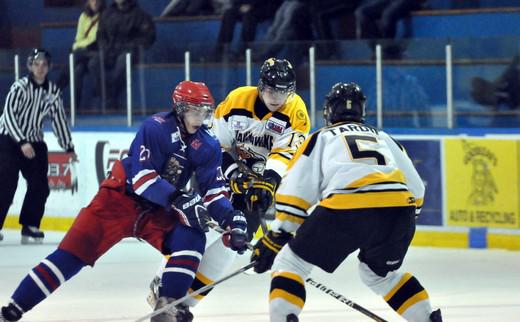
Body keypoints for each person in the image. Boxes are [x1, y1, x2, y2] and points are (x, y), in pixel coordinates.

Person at [0, 80, 248, 322]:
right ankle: (14, 307)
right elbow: (141, 178)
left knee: (192, 237)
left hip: (157, 208)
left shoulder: (208, 144)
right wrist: (178, 198)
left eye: (205, 111)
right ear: (181, 109)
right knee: (72, 254)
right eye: (195, 111)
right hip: (118, 200)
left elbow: (214, 190)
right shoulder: (155, 127)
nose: (201, 117)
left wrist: (231, 218)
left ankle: (167, 307)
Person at [250, 82, 443, 322]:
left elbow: (297, 189)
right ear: (362, 110)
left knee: (290, 262)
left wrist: (279, 234)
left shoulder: (320, 137)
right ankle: (426, 318)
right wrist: (400, 223)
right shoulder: (382, 137)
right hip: (399, 211)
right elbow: (416, 188)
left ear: (329, 110)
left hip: (347, 208)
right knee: (381, 274)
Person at [147, 58, 311, 319]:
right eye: (271, 90)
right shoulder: (238, 100)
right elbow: (214, 144)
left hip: (260, 181)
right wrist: (233, 173)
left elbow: (285, 154)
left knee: (231, 245)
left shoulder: (296, 112)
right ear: (260, 86)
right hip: (220, 174)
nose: (276, 97)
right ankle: (162, 282)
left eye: (283, 91)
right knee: (201, 228)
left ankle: (185, 304)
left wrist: (267, 184)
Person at [0, 48, 77, 245]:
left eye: (44, 64)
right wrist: (22, 142)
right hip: (9, 139)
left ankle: (30, 225)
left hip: (34, 141)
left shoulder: (52, 92)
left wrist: (68, 147)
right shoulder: (20, 87)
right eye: (36, 64)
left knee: (40, 185)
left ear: (49, 67)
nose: (40, 68)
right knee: (7, 183)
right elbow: (8, 116)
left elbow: (59, 119)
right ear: (30, 66)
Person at [89, 0, 155, 110]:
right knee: (94, 63)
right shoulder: (107, 13)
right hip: (110, 51)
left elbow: (148, 36)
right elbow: (100, 35)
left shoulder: (139, 14)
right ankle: (106, 94)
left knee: (123, 62)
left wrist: (133, 46)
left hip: (128, 51)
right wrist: (104, 47)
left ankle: (112, 96)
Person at [56, 0, 106, 110]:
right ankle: (75, 106)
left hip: (97, 51)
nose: (95, 3)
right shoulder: (83, 16)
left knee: (75, 56)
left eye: (98, 0)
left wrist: (80, 46)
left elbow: (93, 39)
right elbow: (79, 38)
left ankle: (56, 89)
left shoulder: (105, 15)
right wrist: (80, 46)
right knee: (77, 70)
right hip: (83, 52)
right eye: (93, 0)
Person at [212, 0, 282, 60]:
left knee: (249, 16)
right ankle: (222, 49)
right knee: (229, 14)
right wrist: (240, 5)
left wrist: (251, 5)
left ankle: (244, 51)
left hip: (263, 6)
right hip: (245, 6)